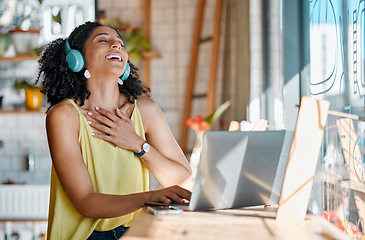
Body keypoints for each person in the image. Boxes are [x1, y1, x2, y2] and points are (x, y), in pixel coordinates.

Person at [36, 21, 193, 240]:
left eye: (120, 43)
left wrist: (138, 144)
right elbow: (85, 202)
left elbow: (182, 177)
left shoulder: (145, 110)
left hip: (134, 233)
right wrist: (150, 197)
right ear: (77, 58)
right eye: (103, 40)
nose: (116, 46)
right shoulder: (64, 116)